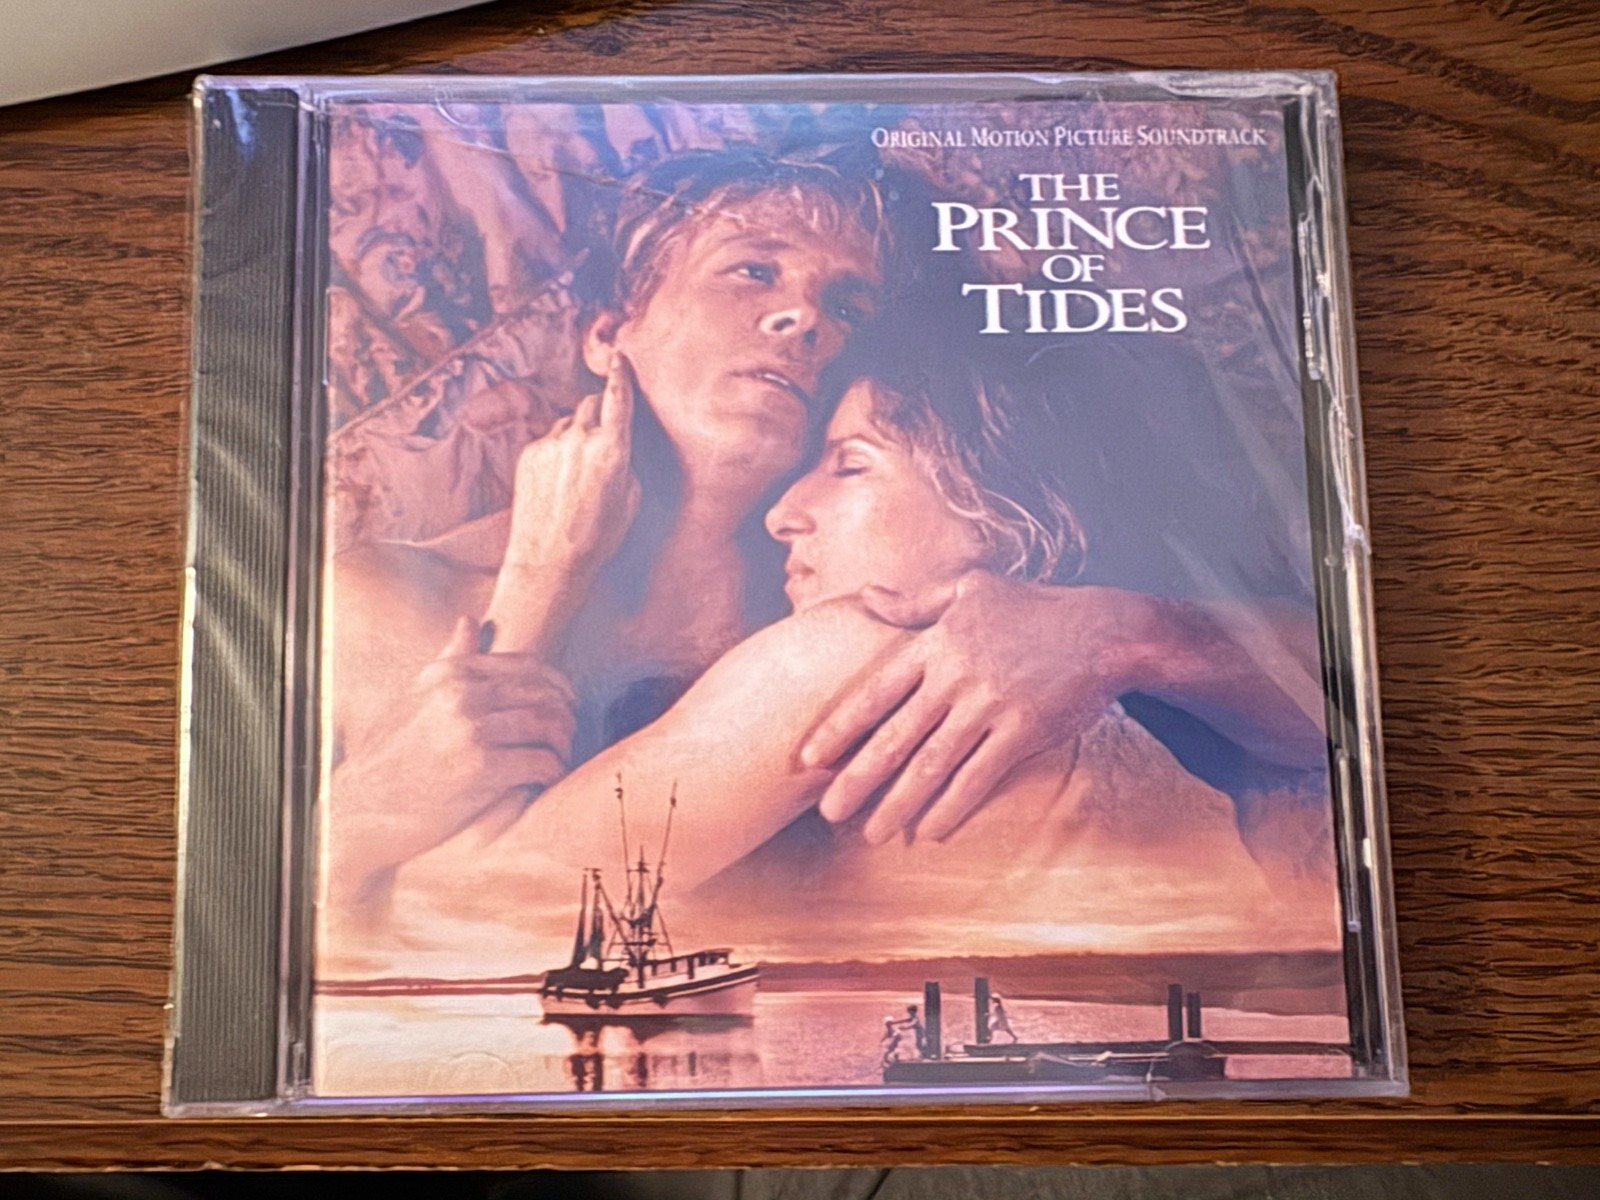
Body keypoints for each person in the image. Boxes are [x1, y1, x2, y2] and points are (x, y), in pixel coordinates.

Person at [334, 353, 1336, 964]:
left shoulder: (865, 647)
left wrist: (540, 578)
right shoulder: (1109, 710)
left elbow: (465, 921)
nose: (784, 512)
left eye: (850, 465)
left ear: (1005, 519)